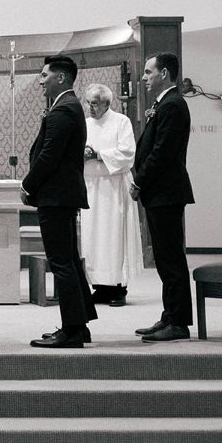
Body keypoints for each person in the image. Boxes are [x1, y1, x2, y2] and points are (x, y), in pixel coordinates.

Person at [21, 55, 97, 349]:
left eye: (44, 75)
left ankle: (72, 330)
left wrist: (28, 185)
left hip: (56, 196)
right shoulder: (68, 106)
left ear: (61, 78)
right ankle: (80, 323)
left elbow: (49, 156)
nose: (40, 80)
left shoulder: (63, 110)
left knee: (61, 262)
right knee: (69, 260)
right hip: (62, 195)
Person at [130, 53, 195, 343]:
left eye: (148, 72)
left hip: (166, 192)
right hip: (160, 193)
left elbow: (162, 153)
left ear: (164, 73)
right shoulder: (164, 104)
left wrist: (139, 182)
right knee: (165, 258)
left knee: (171, 260)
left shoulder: (173, 105)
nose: (143, 77)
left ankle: (178, 322)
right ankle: (170, 316)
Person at [80, 84, 143, 306]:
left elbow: (127, 154)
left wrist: (97, 154)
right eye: (88, 102)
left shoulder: (120, 122)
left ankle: (118, 288)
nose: (90, 107)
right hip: (91, 187)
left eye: (95, 103)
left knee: (113, 237)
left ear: (107, 103)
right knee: (92, 238)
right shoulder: (85, 124)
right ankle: (100, 286)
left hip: (113, 186)